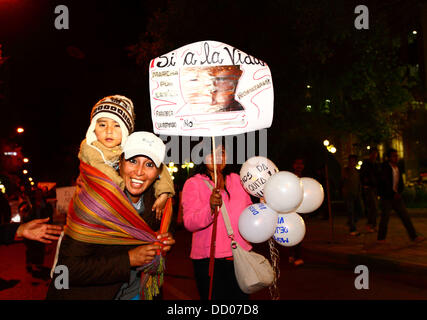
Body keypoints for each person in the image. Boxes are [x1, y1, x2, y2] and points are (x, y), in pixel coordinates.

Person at [46, 132, 176, 300]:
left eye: (149, 164)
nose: (139, 171)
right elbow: (66, 270)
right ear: (119, 163)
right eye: (133, 161)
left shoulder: (161, 204)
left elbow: (164, 232)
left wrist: (165, 241)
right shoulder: (94, 203)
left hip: (139, 292)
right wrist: (128, 260)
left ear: (159, 172)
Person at [78, 95, 174, 218]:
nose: (109, 131)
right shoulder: (90, 149)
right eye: (102, 125)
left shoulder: (127, 148)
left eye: (117, 126)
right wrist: (122, 187)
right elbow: (104, 174)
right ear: (93, 128)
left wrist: (164, 193)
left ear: (126, 130)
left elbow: (161, 169)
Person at [182, 144, 252, 300]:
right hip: (209, 260)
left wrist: (262, 205)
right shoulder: (193, 183)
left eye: (222, 153)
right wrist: (210, 208)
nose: (218, 158)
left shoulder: (238, 180)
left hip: (240, 257)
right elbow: (189, 222)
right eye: (211, 154)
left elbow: (249, 211)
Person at [377, 149, 425, 243]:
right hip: (387, 197)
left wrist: (399, 192)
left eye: (396, 155)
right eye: (394, 156)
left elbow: (400, 182)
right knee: (385, 218)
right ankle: (381, 238)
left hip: (397, 196)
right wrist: (392, 193)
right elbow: (384, 182)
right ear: (389, 157)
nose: (396, 157)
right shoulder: (385, 167)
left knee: (405, 216)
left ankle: (414, 236)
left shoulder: (398, 167)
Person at [288, 157, 306, 267]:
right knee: (292, 232)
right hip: (291, 209)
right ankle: (294, 255)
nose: (299, 166)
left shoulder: (306, 178)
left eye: (301, 163)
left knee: (299, 232)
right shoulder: (290, 177)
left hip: (301, 209)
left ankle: (296, 255)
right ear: (293, 165)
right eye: (297, 163)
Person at [342, 154, 364, 236]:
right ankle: (352, 228)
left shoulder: (356, 171)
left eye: (353, 161)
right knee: (350, 211)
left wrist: (359, 191)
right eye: (350, 161)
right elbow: (343, 181)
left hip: (356, 194)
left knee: (360, 211)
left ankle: (351, 223)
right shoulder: (346, 170)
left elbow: (358, 183)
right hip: (348, 194)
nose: (351, 163)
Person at [360, 148, 380, 233]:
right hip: (368, 187)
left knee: (374, 207)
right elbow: (363, 174)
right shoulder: (366, 163)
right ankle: (370, 224)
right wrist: (365, 183)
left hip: (375, 187)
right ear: (370, 154)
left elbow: (379, 174)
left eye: (376, 153)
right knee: (373, 206)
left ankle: (373, 224)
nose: (375, 155)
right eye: (373, 153)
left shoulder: (376, 164)